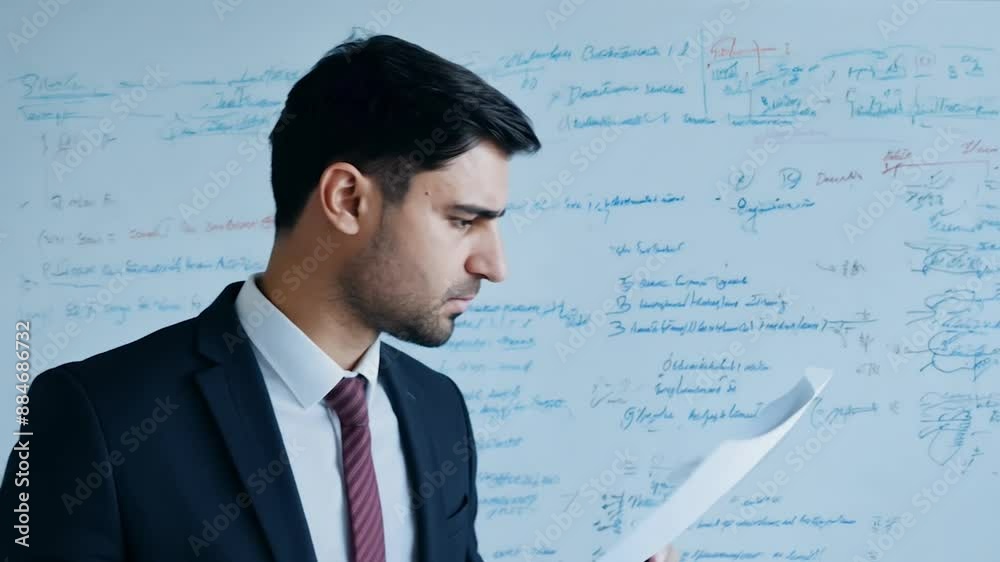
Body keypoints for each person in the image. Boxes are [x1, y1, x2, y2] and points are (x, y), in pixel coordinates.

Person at [1, 33, 677, 562]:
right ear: (348, 200)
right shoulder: (94, 417)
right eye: (462, 221)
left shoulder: (439, 410)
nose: (494, 265)